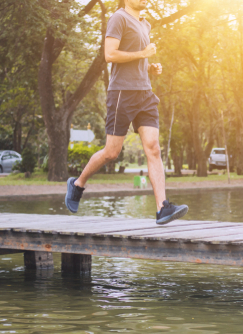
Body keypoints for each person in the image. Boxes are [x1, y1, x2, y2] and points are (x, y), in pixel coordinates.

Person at [65, 0, 188, 225]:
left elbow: (139, 58)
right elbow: (110, 55)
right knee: (112, 152)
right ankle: (77, 184)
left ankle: (162, 208)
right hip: (122, 92)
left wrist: (150, 67)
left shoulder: (145, 24)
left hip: (145, 94)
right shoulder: (118, 18)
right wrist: (143, 54)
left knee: (153, 147)